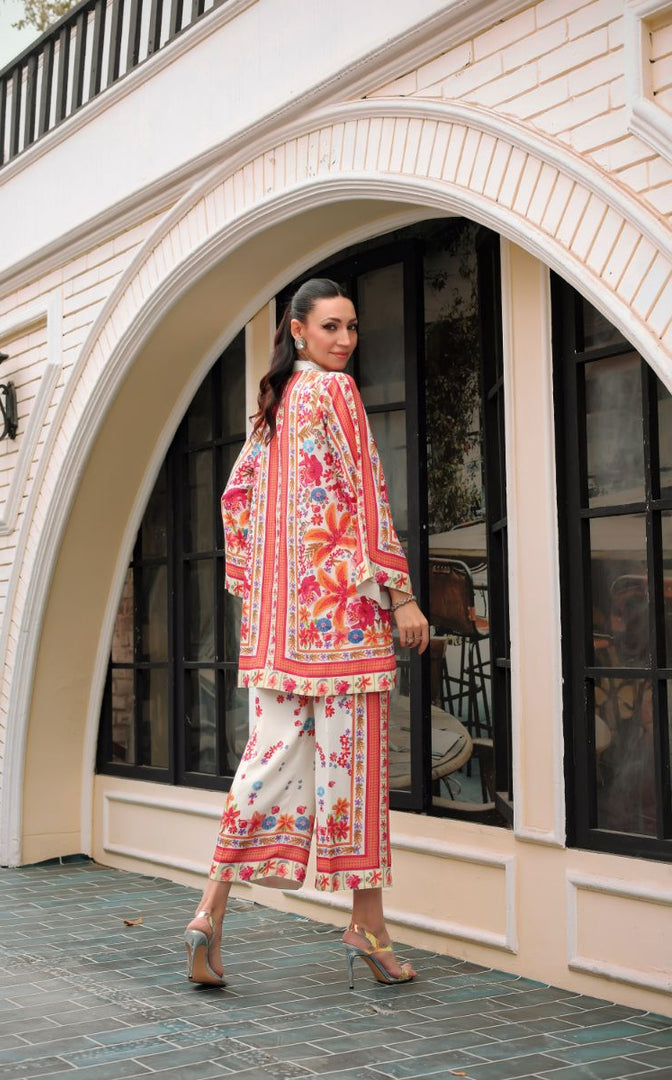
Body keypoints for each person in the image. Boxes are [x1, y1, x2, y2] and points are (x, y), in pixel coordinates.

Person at [184, 278, 429, 988]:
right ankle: (367, 926)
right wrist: (403, 597)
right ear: (297, 330)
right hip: (346, 624)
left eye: (351, 326)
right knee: (355, 774)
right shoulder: (334, 391)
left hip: (277, 631)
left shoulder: (275, 405)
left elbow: (235, 499)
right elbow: (368, 492)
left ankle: (208, 912)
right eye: (330, 327)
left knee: (262, 765)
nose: (345, 340)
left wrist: (260, 589)